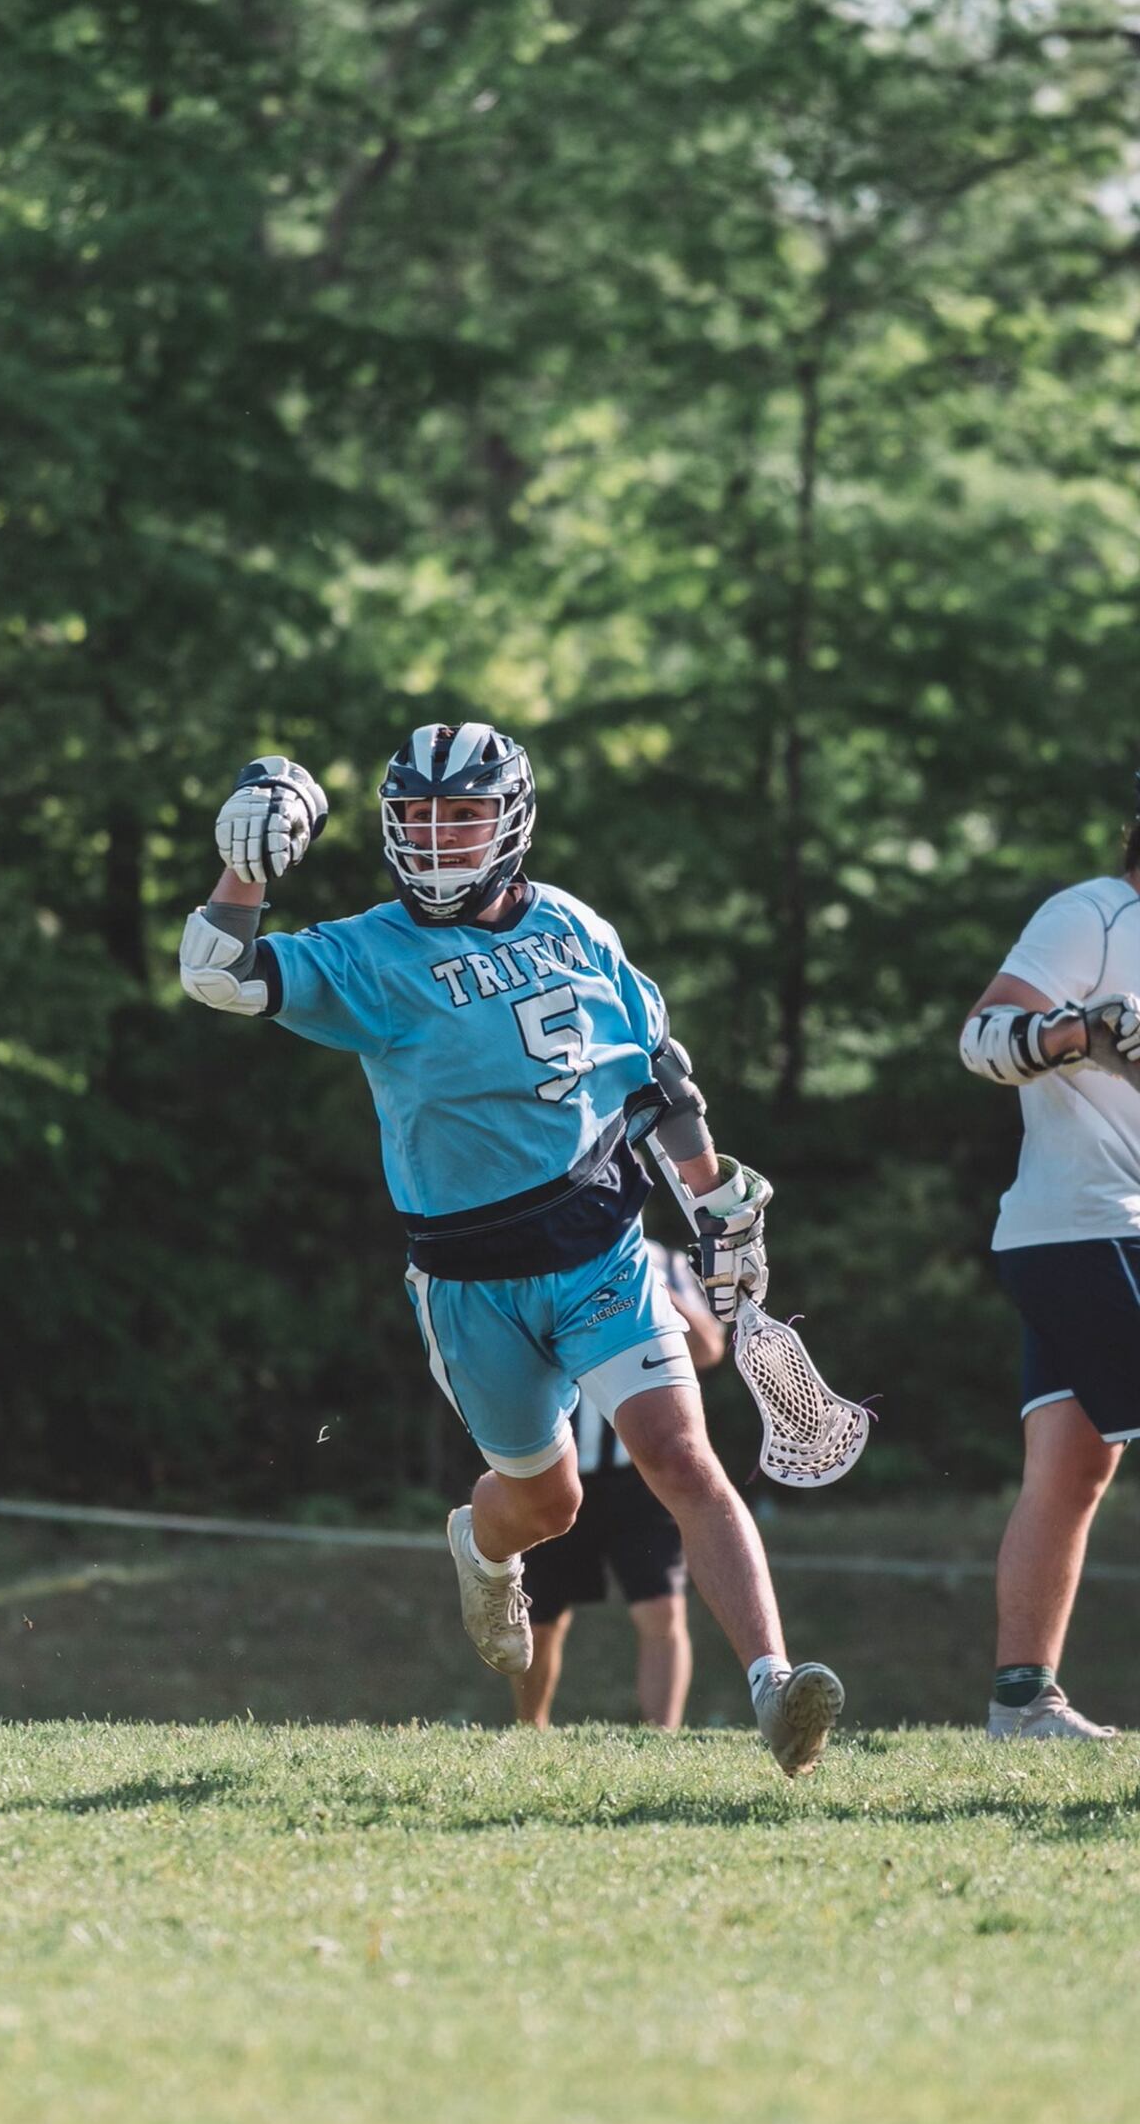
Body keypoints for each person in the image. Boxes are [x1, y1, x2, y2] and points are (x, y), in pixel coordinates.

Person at [180, 723, 844, 1775]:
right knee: (548, 1503)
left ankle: (774, 1686)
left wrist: (715, 1197)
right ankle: (483, 1548)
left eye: (463, 814)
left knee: (680, 1456)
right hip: (470, 1281)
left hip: (601, 1252)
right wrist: (244, 865)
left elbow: (655, 1079)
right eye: (419, 816)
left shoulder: (575, 925)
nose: (438, 836)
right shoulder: (371, 950)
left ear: (513, 820)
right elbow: (217, 972)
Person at [959, 768, 1140, 1739]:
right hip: (1090, 1227)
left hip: (1085, 1234)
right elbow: (981, 1036)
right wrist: (1077, 1030)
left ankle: (1022, 1701)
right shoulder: (1096, 912)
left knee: (1071, 1466)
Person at [512, 1241, 726, 1731]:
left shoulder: (662, 1261)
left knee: (662, 1610)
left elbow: (709, 1348)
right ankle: (529, 1728)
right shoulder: (539, 1251)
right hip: (556, 1465)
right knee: (540, 1619)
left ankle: (662, 1738)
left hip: (639, 1475)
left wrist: (653, 1286)